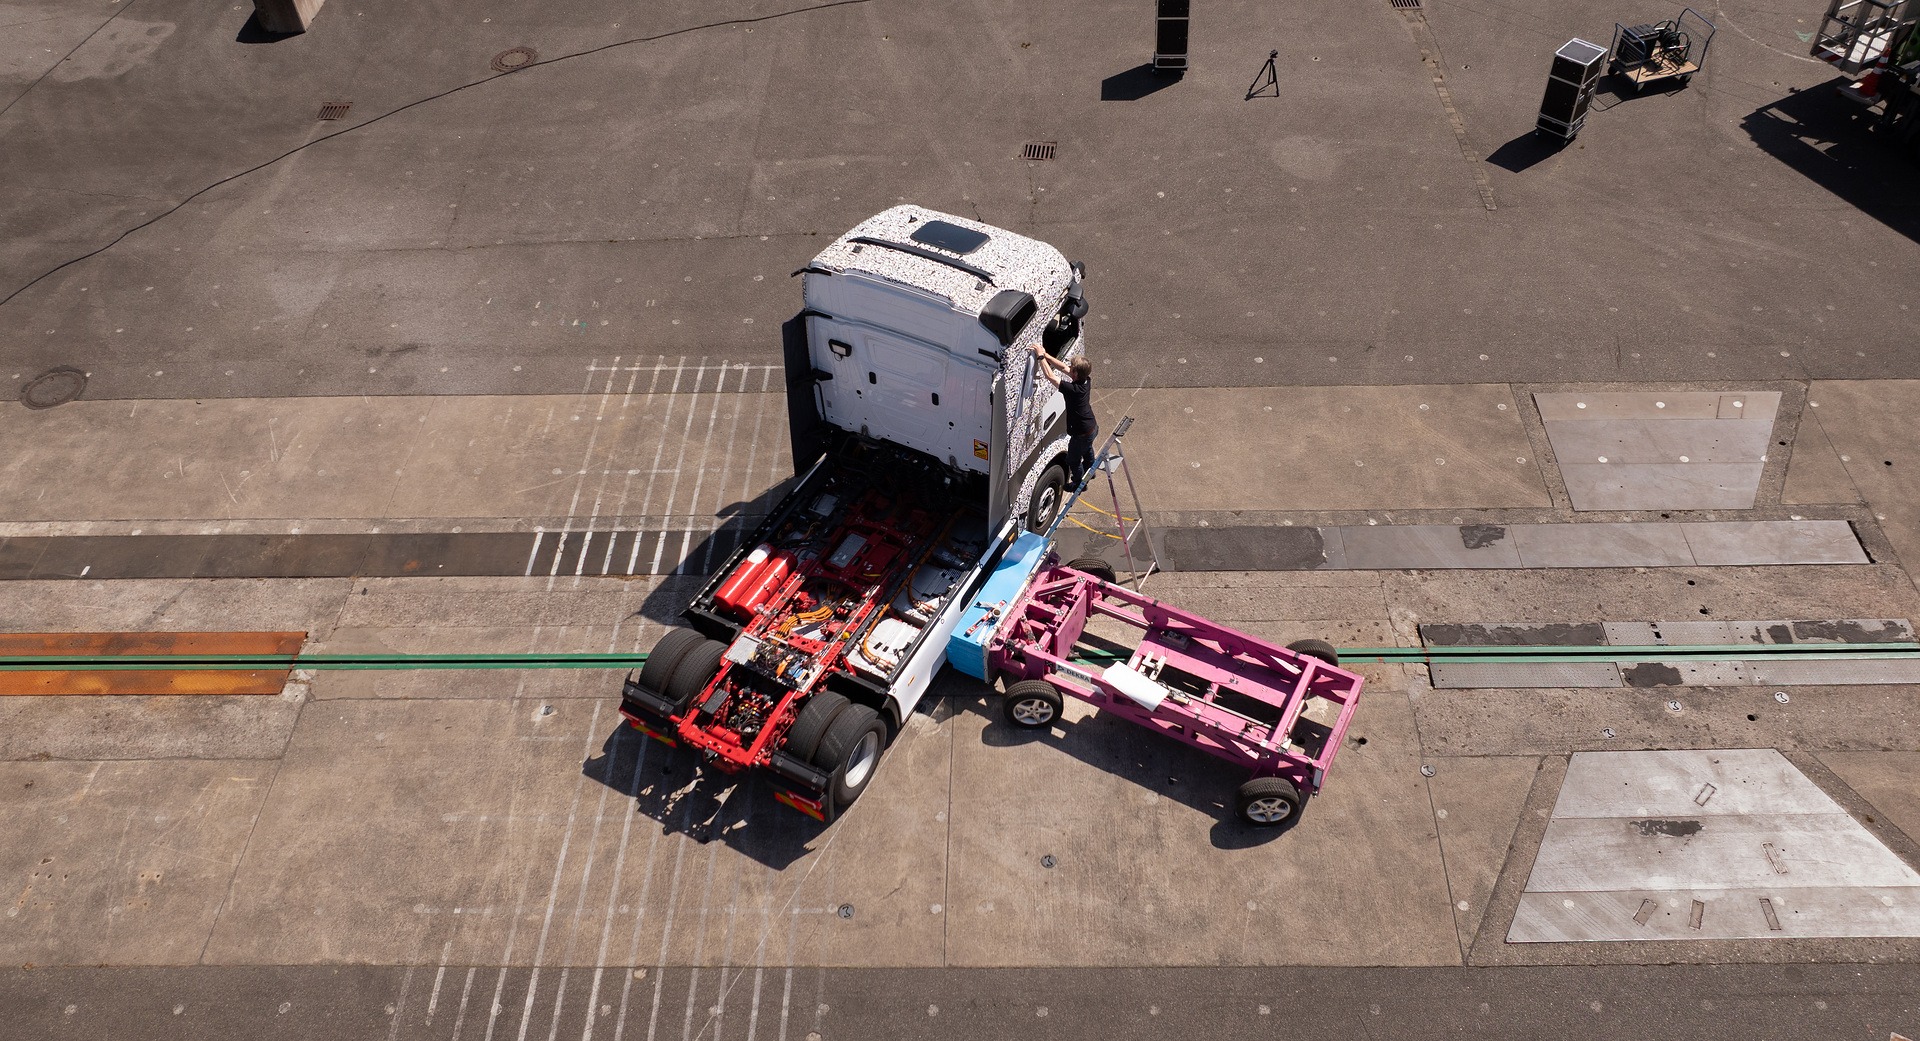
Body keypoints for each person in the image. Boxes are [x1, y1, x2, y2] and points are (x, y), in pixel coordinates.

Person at [1038, 351, 1097, 487]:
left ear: (1075, 374)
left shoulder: (1074, 390)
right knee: (1087, 449)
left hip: (1081, 433)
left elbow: (1050, 376)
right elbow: (1064, 368)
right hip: (1091, 427)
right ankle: (1090, 471)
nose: (1069, 369)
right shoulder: (1086, 380)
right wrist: (1046, 355)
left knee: (1073, 460)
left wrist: (1040, 357)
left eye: (1072, 368)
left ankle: (1078, 483)